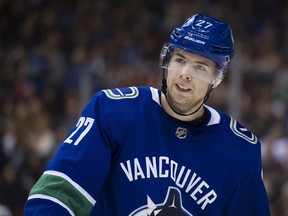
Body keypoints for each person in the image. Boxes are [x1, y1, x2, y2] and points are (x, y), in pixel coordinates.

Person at [24, 13, 271, 215]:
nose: (185, 73)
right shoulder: (113, 111)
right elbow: (55, 197)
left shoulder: (240, 152)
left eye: (200, 67)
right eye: (180, 60)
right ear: (167, 61)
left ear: (216, 79)